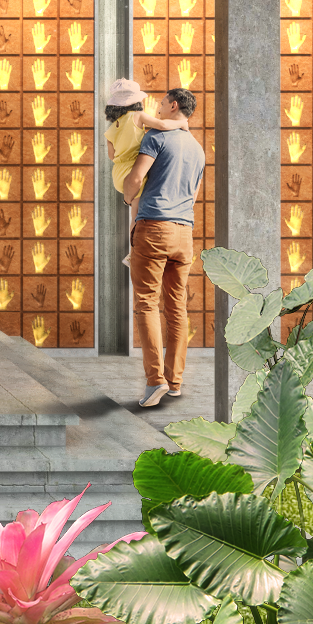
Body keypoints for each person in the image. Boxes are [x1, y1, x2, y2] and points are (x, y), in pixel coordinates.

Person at [121, 88, 205, 408]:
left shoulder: (156, 137)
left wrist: (128, 197)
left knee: (146, 303)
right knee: (177, 308)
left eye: (160, 103)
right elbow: (193, 196)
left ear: (173, 105)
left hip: (154, 227)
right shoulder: (197, 149)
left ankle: (155, 379)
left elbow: (136, 178)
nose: (156, 108)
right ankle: (174, 381)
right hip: (184, 233)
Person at [103, 79, 190, 267]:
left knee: (134, 213)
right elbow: (162, 125)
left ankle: (133, 252)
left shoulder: (112, 128)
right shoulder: (138, 116)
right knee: (137, 216)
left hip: (118, 173)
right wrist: (182, 123)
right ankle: (133, 253)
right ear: (135, 101)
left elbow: (111, 155)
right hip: (133, 171)